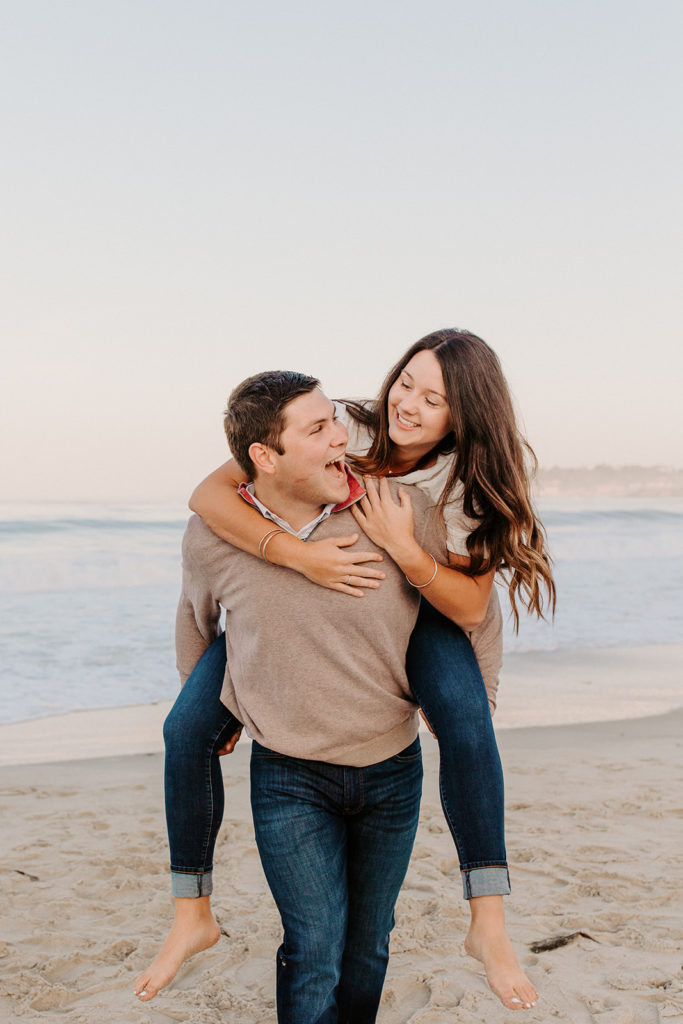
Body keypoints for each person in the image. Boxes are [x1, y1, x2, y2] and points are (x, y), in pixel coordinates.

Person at [185, 329, 555, 1010]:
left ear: (464, 414)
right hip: (338, 607)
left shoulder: (465, 480)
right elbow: (210, 494)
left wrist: (404, 549)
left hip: (431, 606)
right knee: (186, 727)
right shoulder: (347, 424)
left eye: (433, 398)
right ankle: (188, 909)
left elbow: (471, 606)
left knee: (467, 727)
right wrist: (292, 556)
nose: (406, 405)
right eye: (405, 382)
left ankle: (488, 924)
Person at [138, 370, 472, 1022]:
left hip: (391, 771)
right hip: (289, 775)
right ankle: (192, 910)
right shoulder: (216, 531)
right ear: (264, 456)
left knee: (367, 945)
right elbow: (196, 620)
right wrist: (212, 707)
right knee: (314, 945)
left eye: (334, 423)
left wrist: (453, 691)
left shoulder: (389, 506)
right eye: (317, 429)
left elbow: (453, 606)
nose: (339, 437)